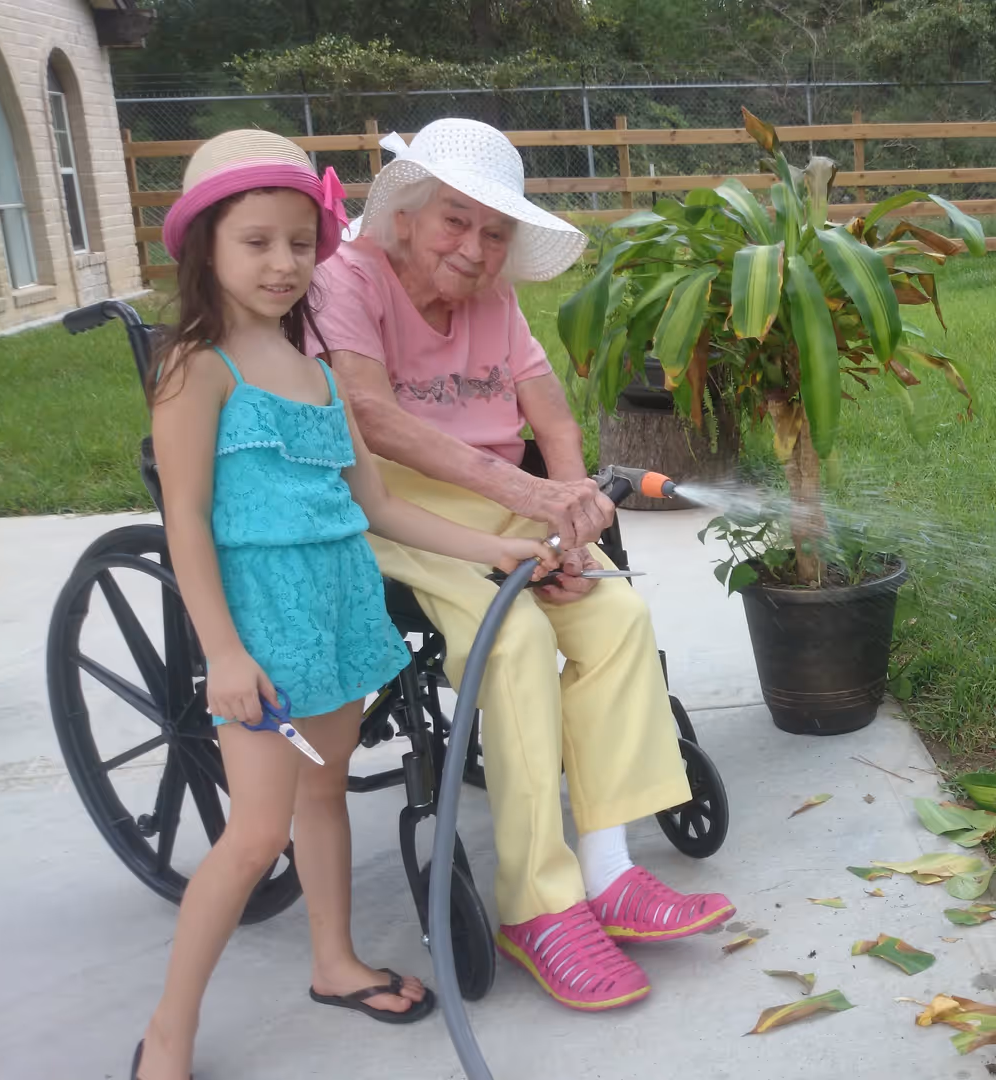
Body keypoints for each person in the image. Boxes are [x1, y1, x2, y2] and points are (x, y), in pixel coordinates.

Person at [135, 129, 560, 1080]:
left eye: (299, 242)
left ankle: (333, 964)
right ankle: (169, 1030)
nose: (284, 264)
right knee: (252, 839)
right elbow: (188, 524)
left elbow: (380, 507)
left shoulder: (320, 374)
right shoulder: (196, 368)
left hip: (339, 612)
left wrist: (498, 546)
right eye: (257, 242)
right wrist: (225, 654)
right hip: (264, 627)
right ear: (205, 245)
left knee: (323, 798)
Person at [311, 118, 735, 1014]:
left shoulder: (494, 298)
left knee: (616, 617)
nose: (475, 248)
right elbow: (373, 419)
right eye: (455, 222)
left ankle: (610, 873)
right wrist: (528, 493)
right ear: (409, 216)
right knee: (507, 646)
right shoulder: (344, 281)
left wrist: (573, 508)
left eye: (494, 230)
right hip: (395, 508)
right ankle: (538, 907)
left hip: (506, 499)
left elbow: (552, 415)